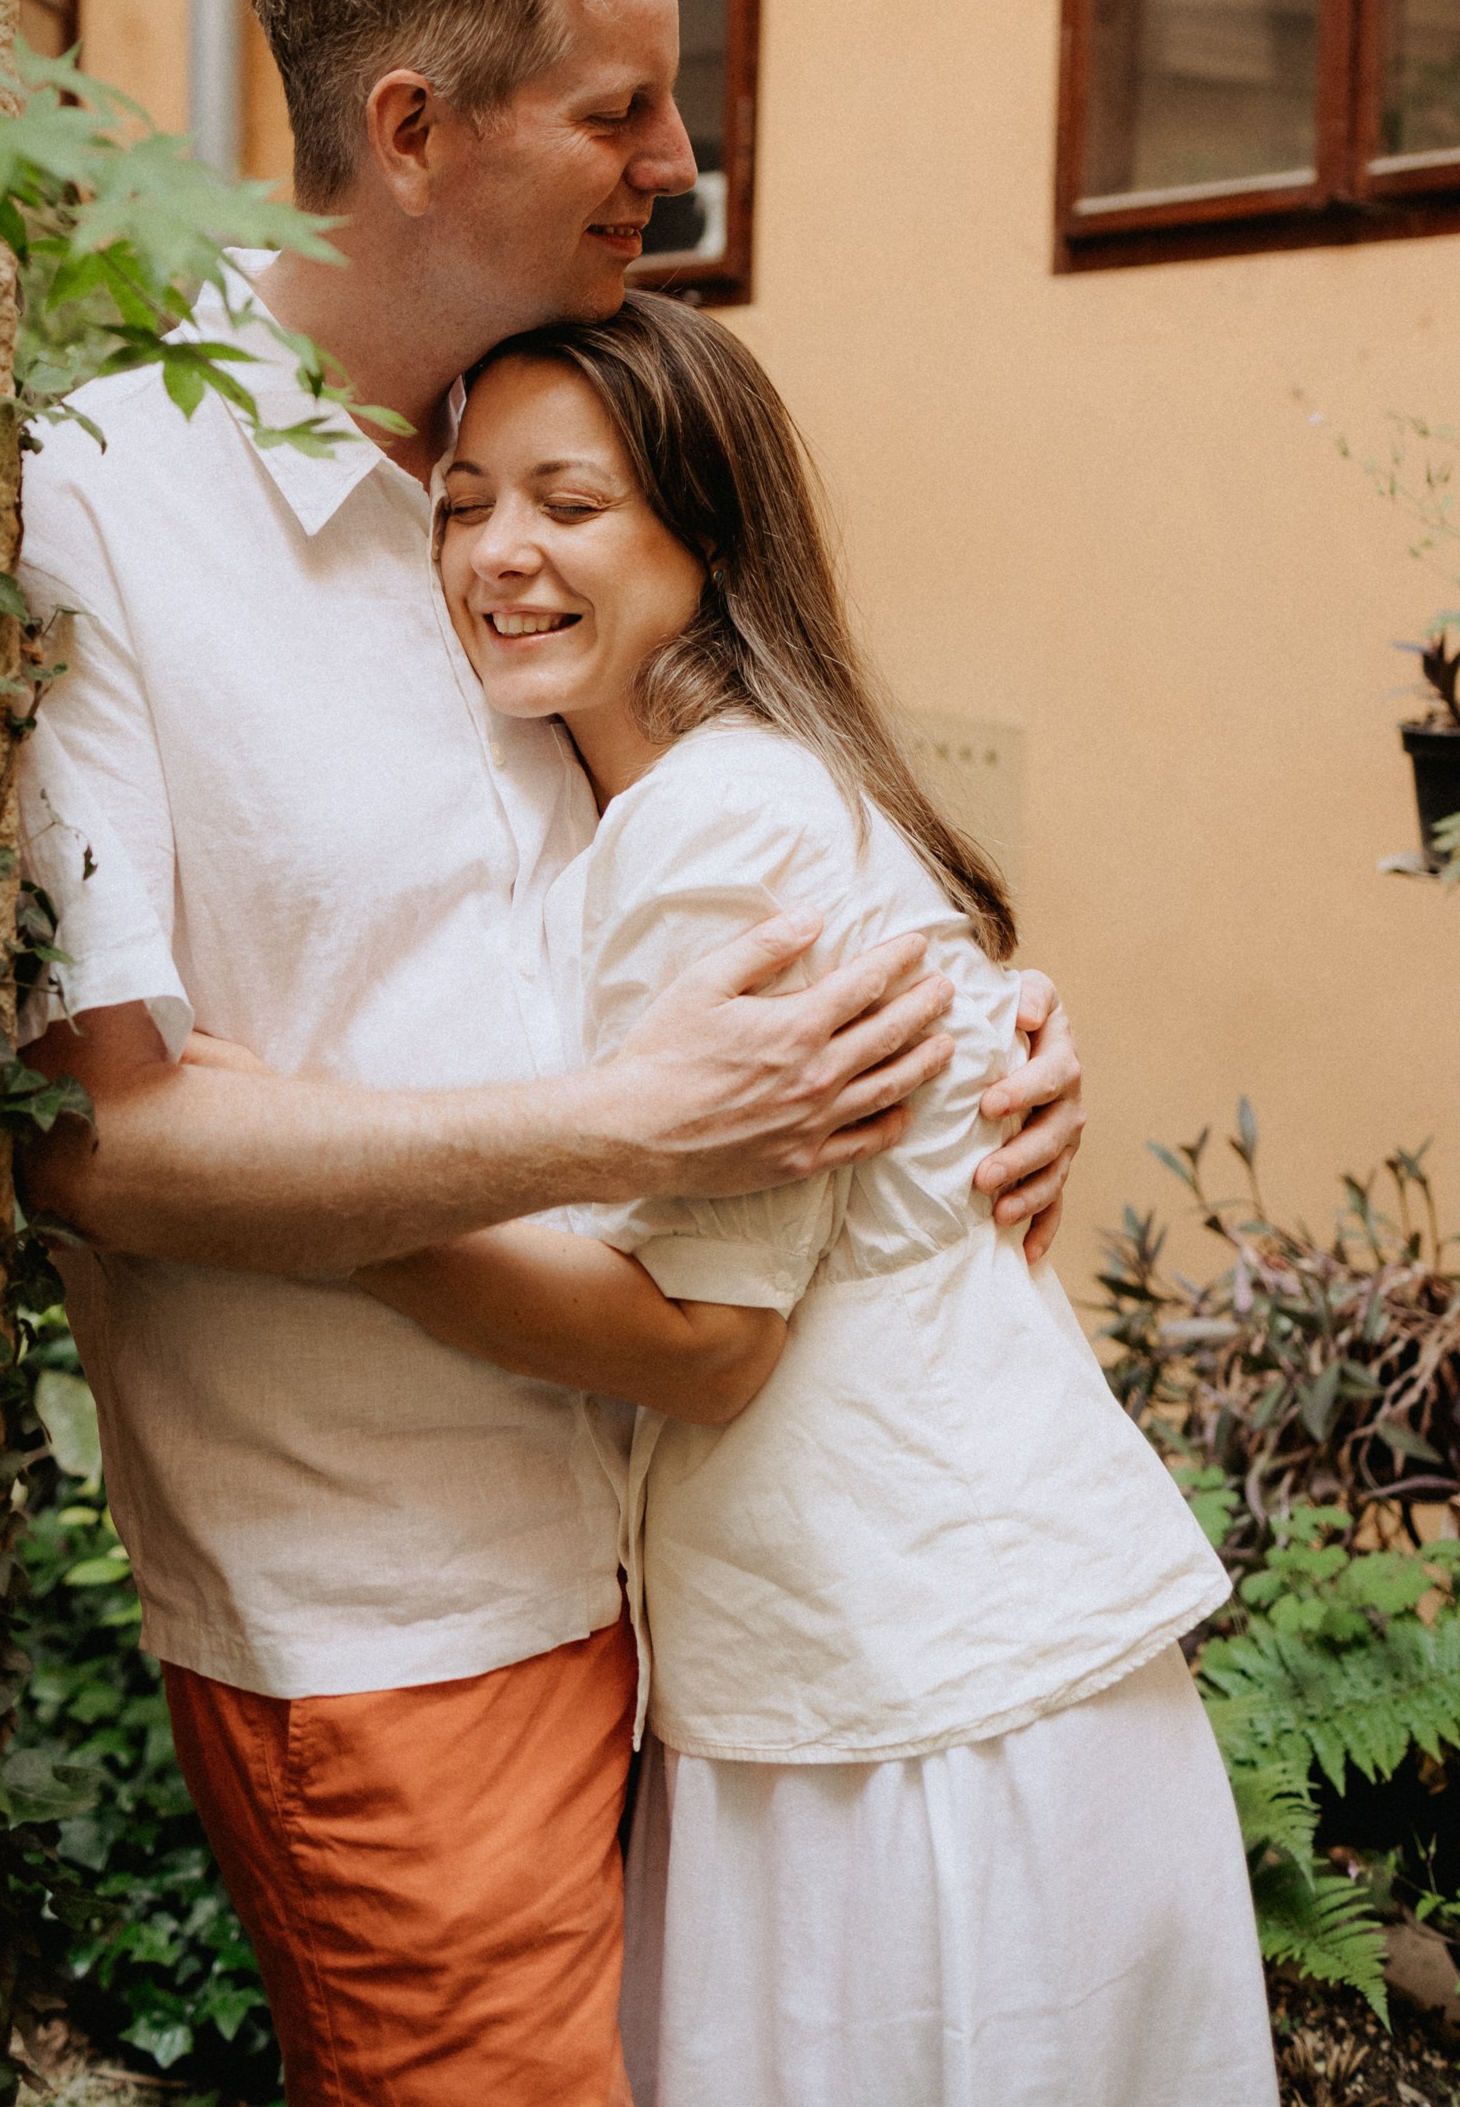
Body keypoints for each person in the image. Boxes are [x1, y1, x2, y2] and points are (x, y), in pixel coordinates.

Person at [15, 0, 1087, 2107]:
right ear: (412, 129)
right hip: (395, 1609)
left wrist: (970, 1048)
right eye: (623, 109)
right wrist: (626, 1123)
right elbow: (98, 1143)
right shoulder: (108, 510)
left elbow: (737, 862)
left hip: (693, 1573)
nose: (677, 166)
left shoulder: (540, 474)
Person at [361, 290, 1274, 2107]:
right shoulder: (691, 795)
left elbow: (705, 1348)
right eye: (463, 504)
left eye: (570, 501)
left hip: (912, 1702)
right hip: (919, 1661)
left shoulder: (719, 823)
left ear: (708, 538)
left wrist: (327, 1218)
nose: (499, 553)